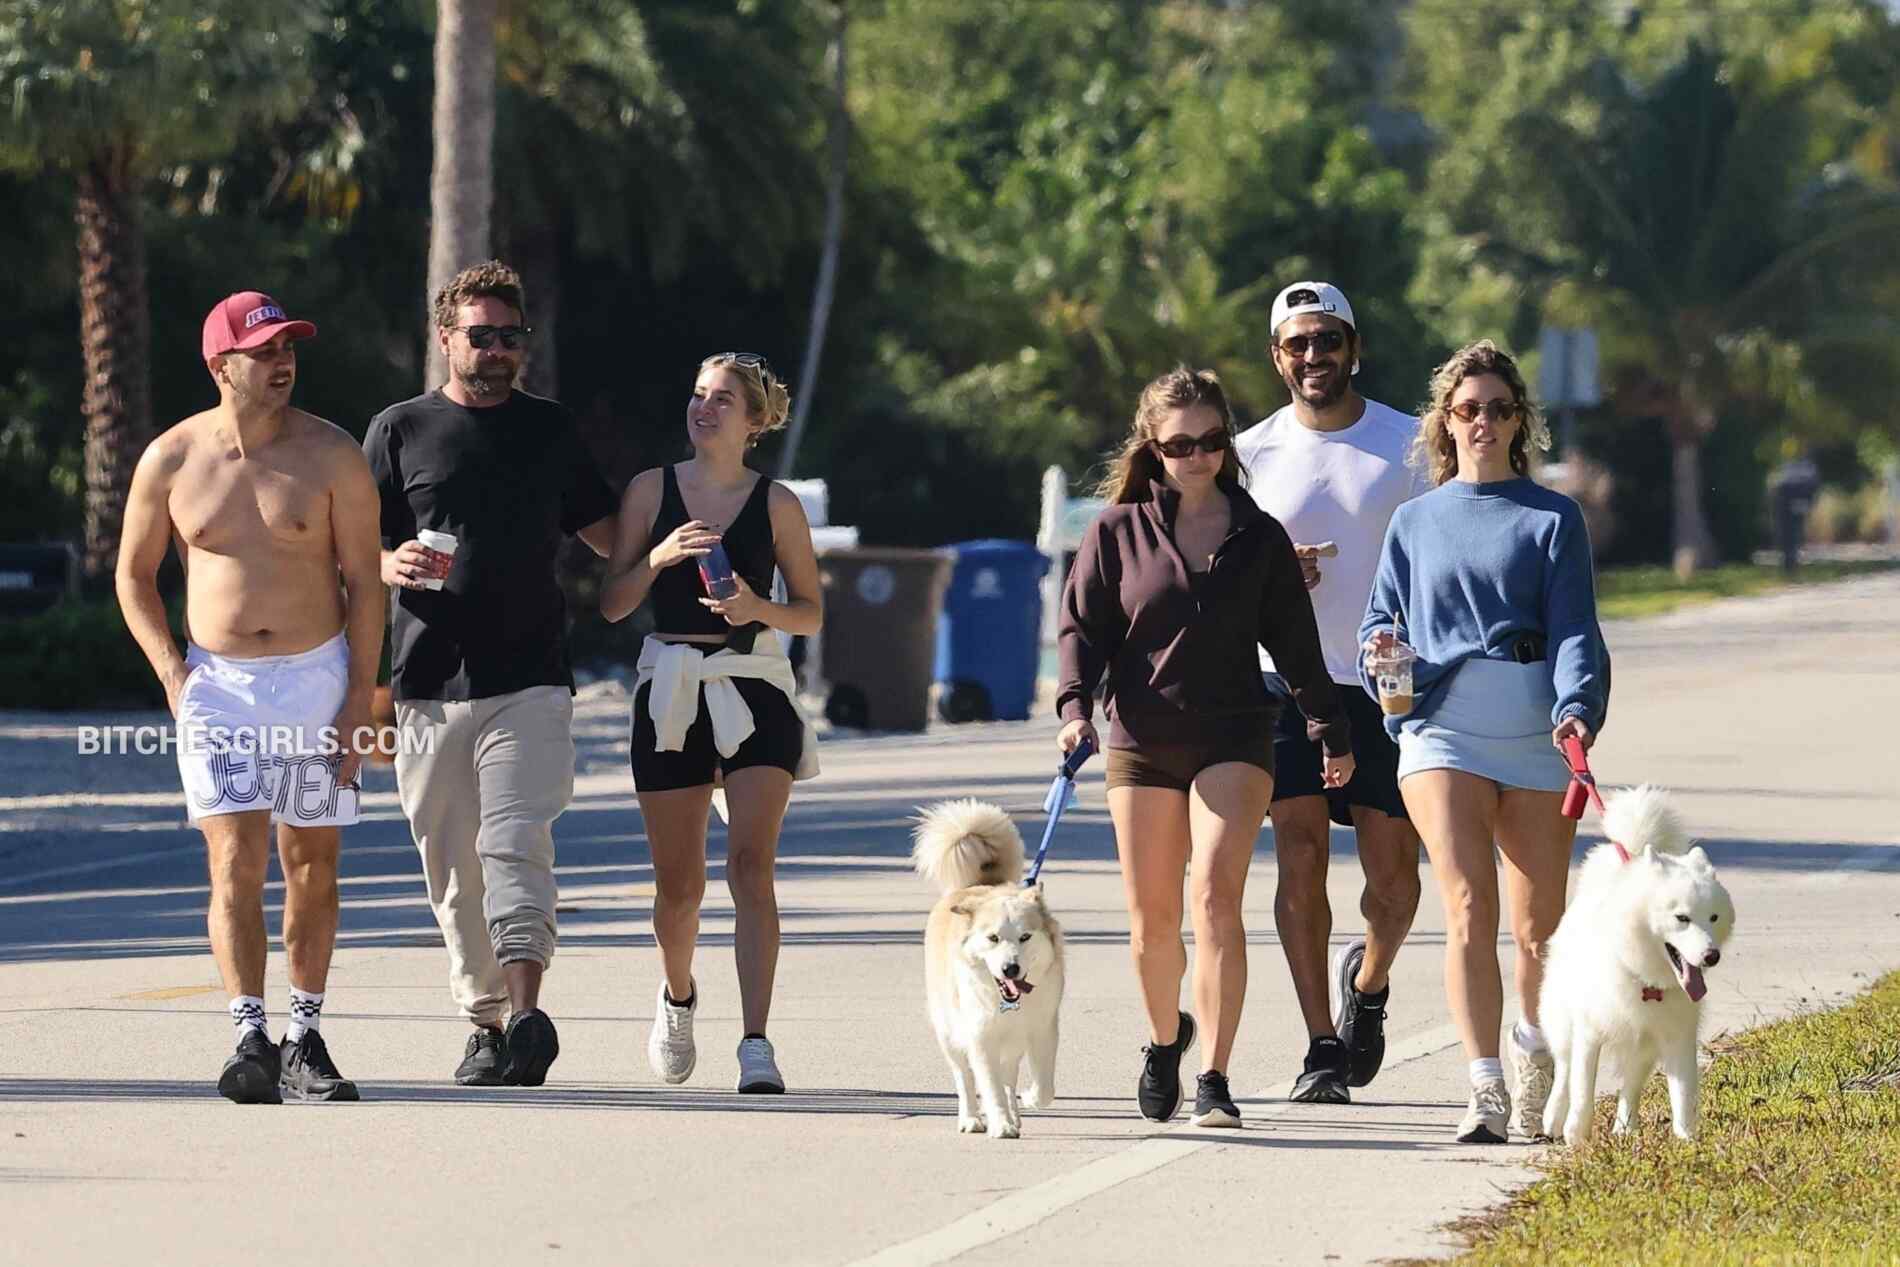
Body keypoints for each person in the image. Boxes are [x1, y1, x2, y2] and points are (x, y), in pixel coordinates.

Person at [1057, 367, 1355, 1129]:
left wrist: (1329, 728)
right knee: (1152, 922)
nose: (1197, 456)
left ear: (1228, 442)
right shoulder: (1115, 533)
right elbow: (1081, 630)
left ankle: (1215, 1076)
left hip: (1236, 734)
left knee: (1216, 898)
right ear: (1152, 447)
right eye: (1179, 444)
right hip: (1143, 739)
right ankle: (1166, 1040)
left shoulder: (1259, 536)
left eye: (1212, 440)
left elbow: (1297, 645)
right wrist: (1074, 709)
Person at [117, 291, 383, 1103]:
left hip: (317, 679)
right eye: (263, 350)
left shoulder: (332, 454)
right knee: (233, 861)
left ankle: (304, 1034)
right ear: (220, 364)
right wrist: (172, 672)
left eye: (287, 347)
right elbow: (133, 577)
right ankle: (249, 1034)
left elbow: (367, 583)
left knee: (312, 862)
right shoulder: (170, 459)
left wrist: (358, 700)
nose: (282, 361)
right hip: (219, 688)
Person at [364, 261, 618, 1087]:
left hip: (531, 676)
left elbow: (611, 532)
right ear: (447, 338)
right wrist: (388, 562)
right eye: (483, 335)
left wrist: (695, 522)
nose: (499, 349)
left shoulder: (550, 429)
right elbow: (352, 545)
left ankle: (528, 1013)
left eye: (512, 336)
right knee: (453, 867)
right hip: (427, 682)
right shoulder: (400, 430)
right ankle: (485, 1021)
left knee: (514, 839)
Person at [1358, 339, 1609, 1143]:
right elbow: (1379, 623)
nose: (1483, 422)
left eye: (1499, 409)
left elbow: (1576, 628)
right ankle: (1485, 1084)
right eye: (1469, 408)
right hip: (1441, 727)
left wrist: (1577, 706)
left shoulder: (1553, 517)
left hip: (1534, 725)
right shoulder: (1413, 521)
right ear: (1446, 420)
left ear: (1518, 421)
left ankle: (1535, 1056)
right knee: (1468, 902)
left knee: (1540, 930)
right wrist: (1380, 655)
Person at [600, 353, 822, 1095]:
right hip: (670, 686)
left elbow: (811, 613)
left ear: (753, 420)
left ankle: (756, 1041)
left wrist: (758, 608)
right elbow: (612, 605)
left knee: (751, 868)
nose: (704, 408)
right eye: (698, 394)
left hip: (753, 682)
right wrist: (659, 557)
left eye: (723, 399)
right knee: (680, 886)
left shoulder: (777, 503)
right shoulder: (650, 490)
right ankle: (678, 996)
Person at [1235, 281, 1428, 1104]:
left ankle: (1368, 985)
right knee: (1301, 854)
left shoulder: (1412, 444)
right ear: (1277, 358)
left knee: (1394, 878)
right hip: (1284, 681)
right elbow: (1217, 569)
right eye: (1298, 344)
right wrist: (1274, 576)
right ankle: (1320, 1043)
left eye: (1328, 340)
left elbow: (1441, 553)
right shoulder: (1248, 454)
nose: (1314, 356)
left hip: (1389, 683)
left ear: (1355, 348)